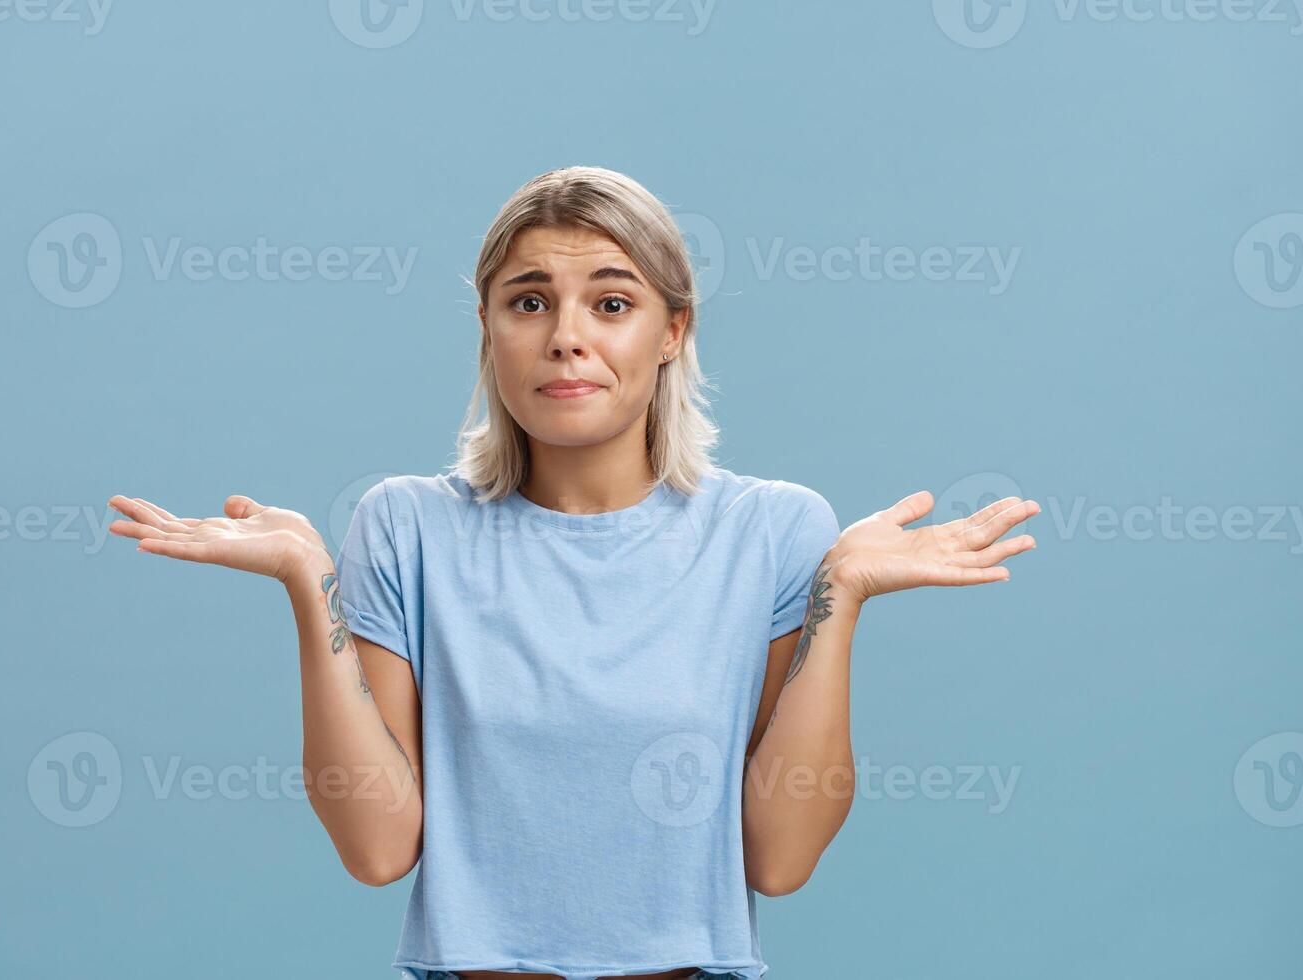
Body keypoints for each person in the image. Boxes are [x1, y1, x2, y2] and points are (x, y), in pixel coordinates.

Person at [106, 166, 1039, 980]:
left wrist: (841, 598)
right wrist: (312, 587)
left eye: (612, 302)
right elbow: (379, 849)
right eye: (528, 301)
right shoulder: (406, 527)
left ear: (672, 331)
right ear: (488, 327)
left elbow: (780, 860)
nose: (566, 336)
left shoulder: (773, 531)